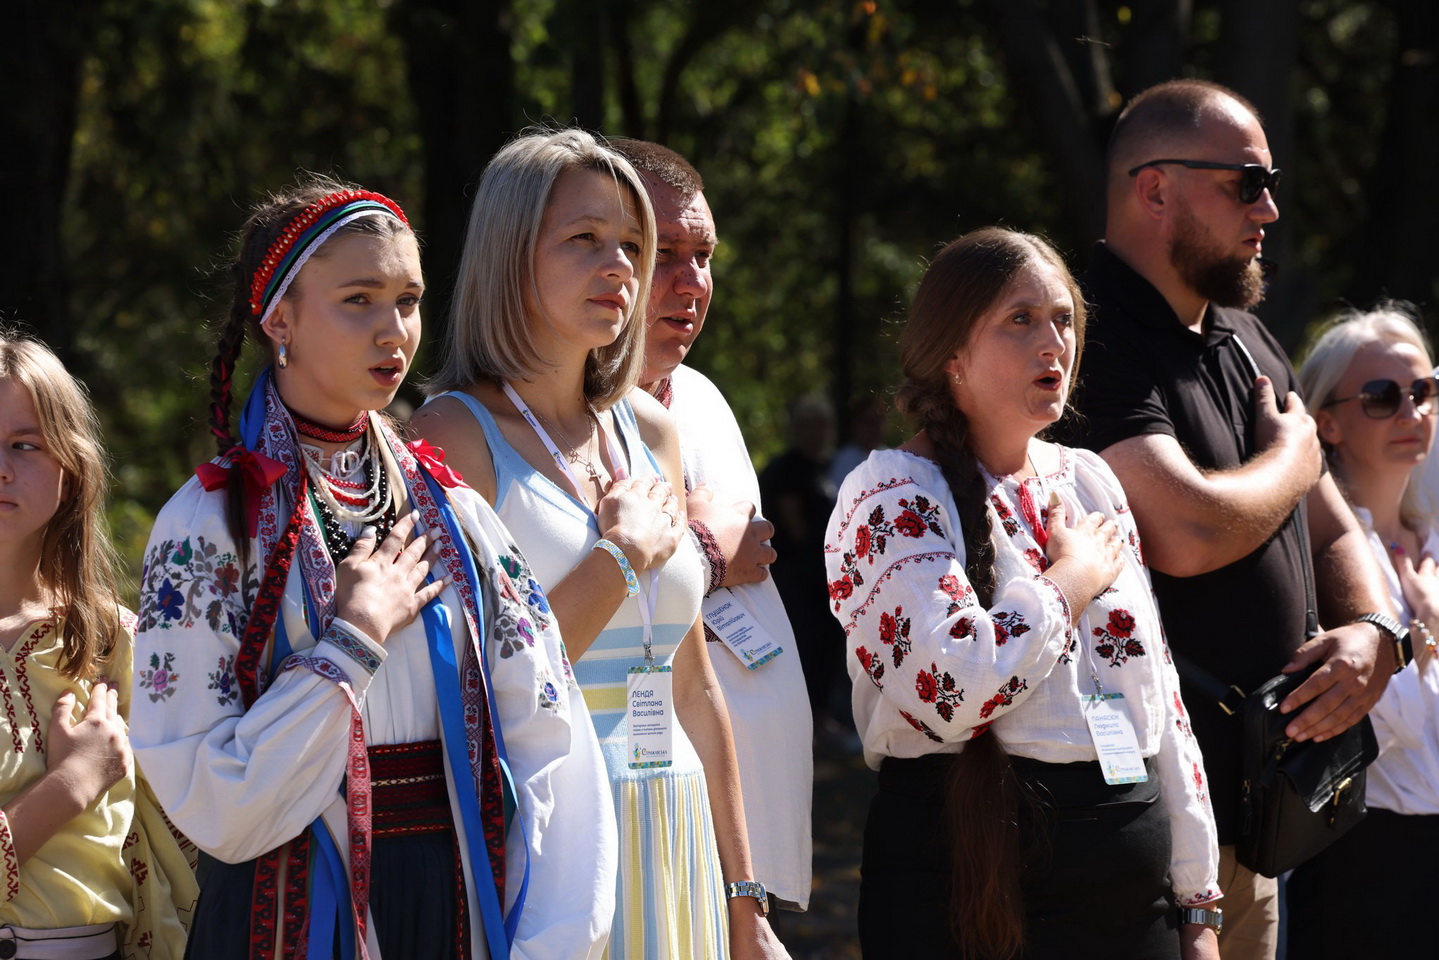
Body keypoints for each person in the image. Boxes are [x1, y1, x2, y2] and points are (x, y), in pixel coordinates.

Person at [131, 178, 614, 960]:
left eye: (408, 301)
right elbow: (205, 794)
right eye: (358, 300)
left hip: (449, 897)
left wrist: (552, 940)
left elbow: (548, 730)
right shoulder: (209, 525)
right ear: (279, 319)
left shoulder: (454, 513)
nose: (394, 331)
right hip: (278, 907)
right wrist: (351, 640)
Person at [413, 129, 787, 960]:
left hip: (678, 837)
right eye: (584, 238)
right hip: (554, 850)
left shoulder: (650, 430)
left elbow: (694, 689)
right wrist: (620, 557)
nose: (619, 266)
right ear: (510, 254)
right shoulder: (452, 435)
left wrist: (744, 899)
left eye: (630, 245)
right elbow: (479, 686)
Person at [1059, 78, 1397, 960]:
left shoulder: (1245, 333)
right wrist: (1294, 458)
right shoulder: (1083, 333)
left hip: (1256, 817)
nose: (1269, 210)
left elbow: (1331, 528)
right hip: (1142, 823)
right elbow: (1188, 532)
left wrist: (1373, 632)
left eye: (1270, 183)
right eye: (1246, 183)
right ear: (1154, 189)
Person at [825, 227, 1221, 959]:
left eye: (1064, 319)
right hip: (957, 878)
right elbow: (953, 686)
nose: (1053, 343)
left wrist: (1198, 901)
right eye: (1020, 319)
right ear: (951, 355)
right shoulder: (890, 494)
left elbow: (1158, 697)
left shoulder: (1088, 479)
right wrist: (1071, 582)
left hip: (1129, 893)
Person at [609, 138, 814, 924]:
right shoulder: (543, 421)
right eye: (664, 253)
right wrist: (703, 553)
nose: (691, 282)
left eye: (704, 256)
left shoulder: (701, 396)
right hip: (650, 845)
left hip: (753, 839)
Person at [0, 329, 196, 959]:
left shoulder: (117, 643)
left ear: (72, 466)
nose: (1, 466)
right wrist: (75, 779)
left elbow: (181, 858)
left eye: (24, 444)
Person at [1285, 305, 1439, 957]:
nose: (1411, 412)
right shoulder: (1324, 556)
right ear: (1327, 422)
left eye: (1423, 391)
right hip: (1361, 862)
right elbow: (1383, 722)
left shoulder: (1432, 545)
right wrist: (1425, 632)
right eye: (1381, 397)